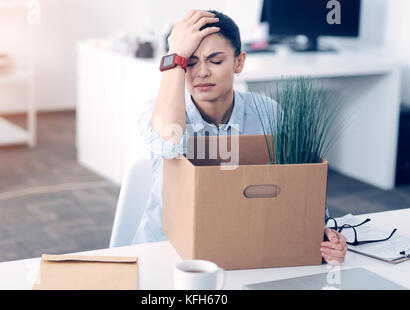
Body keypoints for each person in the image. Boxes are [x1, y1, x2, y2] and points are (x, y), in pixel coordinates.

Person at [132, 9, 347, 265]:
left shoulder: (268, 112)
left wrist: (322, 232)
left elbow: (297, 183)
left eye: (215, 60)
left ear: (239, 62)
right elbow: (168, 143)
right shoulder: (158, 112)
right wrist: (174, 56)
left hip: (240, 248)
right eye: (189, 62)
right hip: (164, 253)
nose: (201, 72)